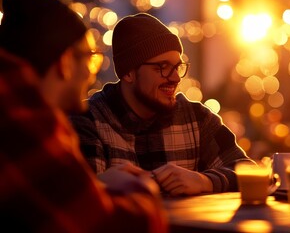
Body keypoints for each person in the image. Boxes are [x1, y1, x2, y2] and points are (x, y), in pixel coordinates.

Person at [0, 0, 167, 232]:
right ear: (65, 63)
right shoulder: (22, 124)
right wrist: (140, 187)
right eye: (90, 59)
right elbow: (111, 226)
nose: (92, 74)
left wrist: (97, 186)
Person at [69, 13, 253, 196]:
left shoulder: (197, 118)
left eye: (177, 67)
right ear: (128, 73)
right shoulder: (89, 121)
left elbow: (249, 174)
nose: (175, 78)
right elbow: (83, 202)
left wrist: (203, 181)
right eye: (162, 67)